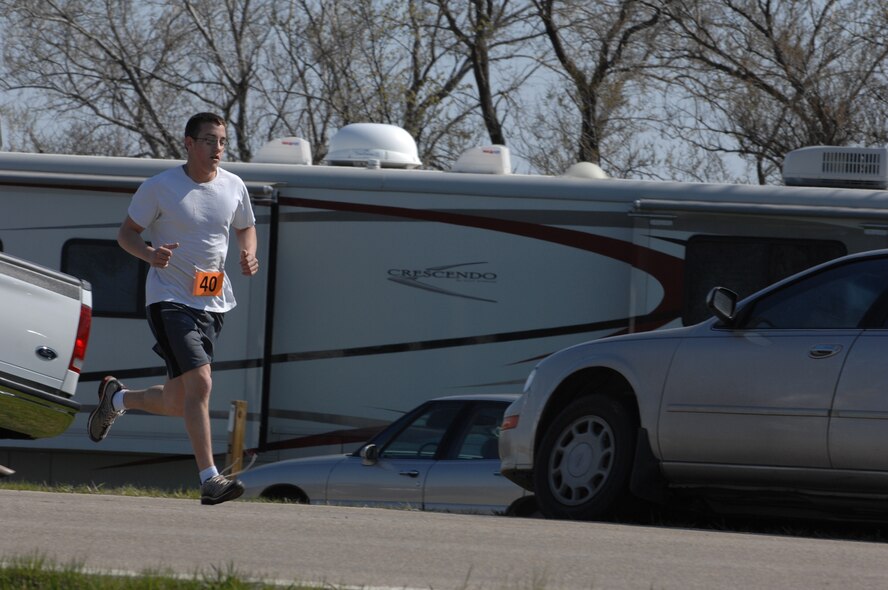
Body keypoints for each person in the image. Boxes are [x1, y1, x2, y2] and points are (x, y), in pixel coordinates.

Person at [87, 112, 259, 506]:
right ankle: (210, 478)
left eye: (222, 142)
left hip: (212, 301)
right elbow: (126, 234)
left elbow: (245, 226)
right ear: (188, 143)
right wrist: (150, 254)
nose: (218, 149)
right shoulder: (160, 187)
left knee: (177, 402)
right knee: (202, 384)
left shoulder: (233, 185)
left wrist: (249, 252)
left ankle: (117, 399)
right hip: (169, 299)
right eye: (210, 141)